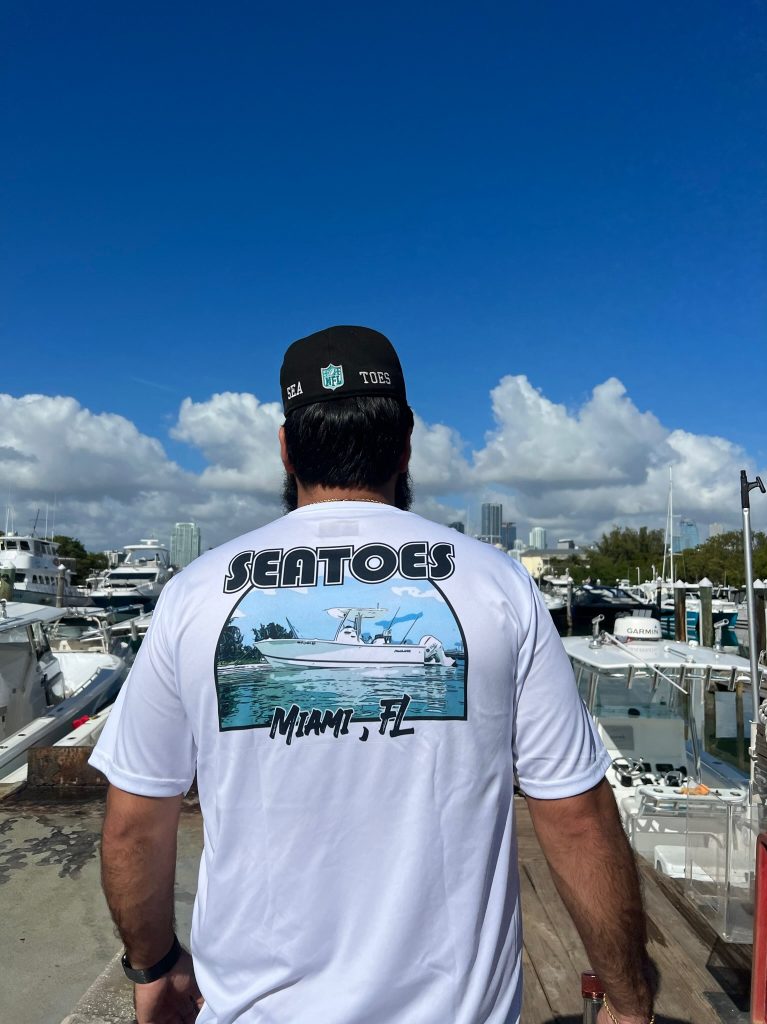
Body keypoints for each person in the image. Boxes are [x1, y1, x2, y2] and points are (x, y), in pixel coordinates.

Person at [91, 325, 656, 1024]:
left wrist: (153, 964)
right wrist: (629, 1001)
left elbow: (134, 827)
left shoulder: (193, 594)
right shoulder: (499, 584)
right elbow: (575, 816)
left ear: (286, 447)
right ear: (406, 443)